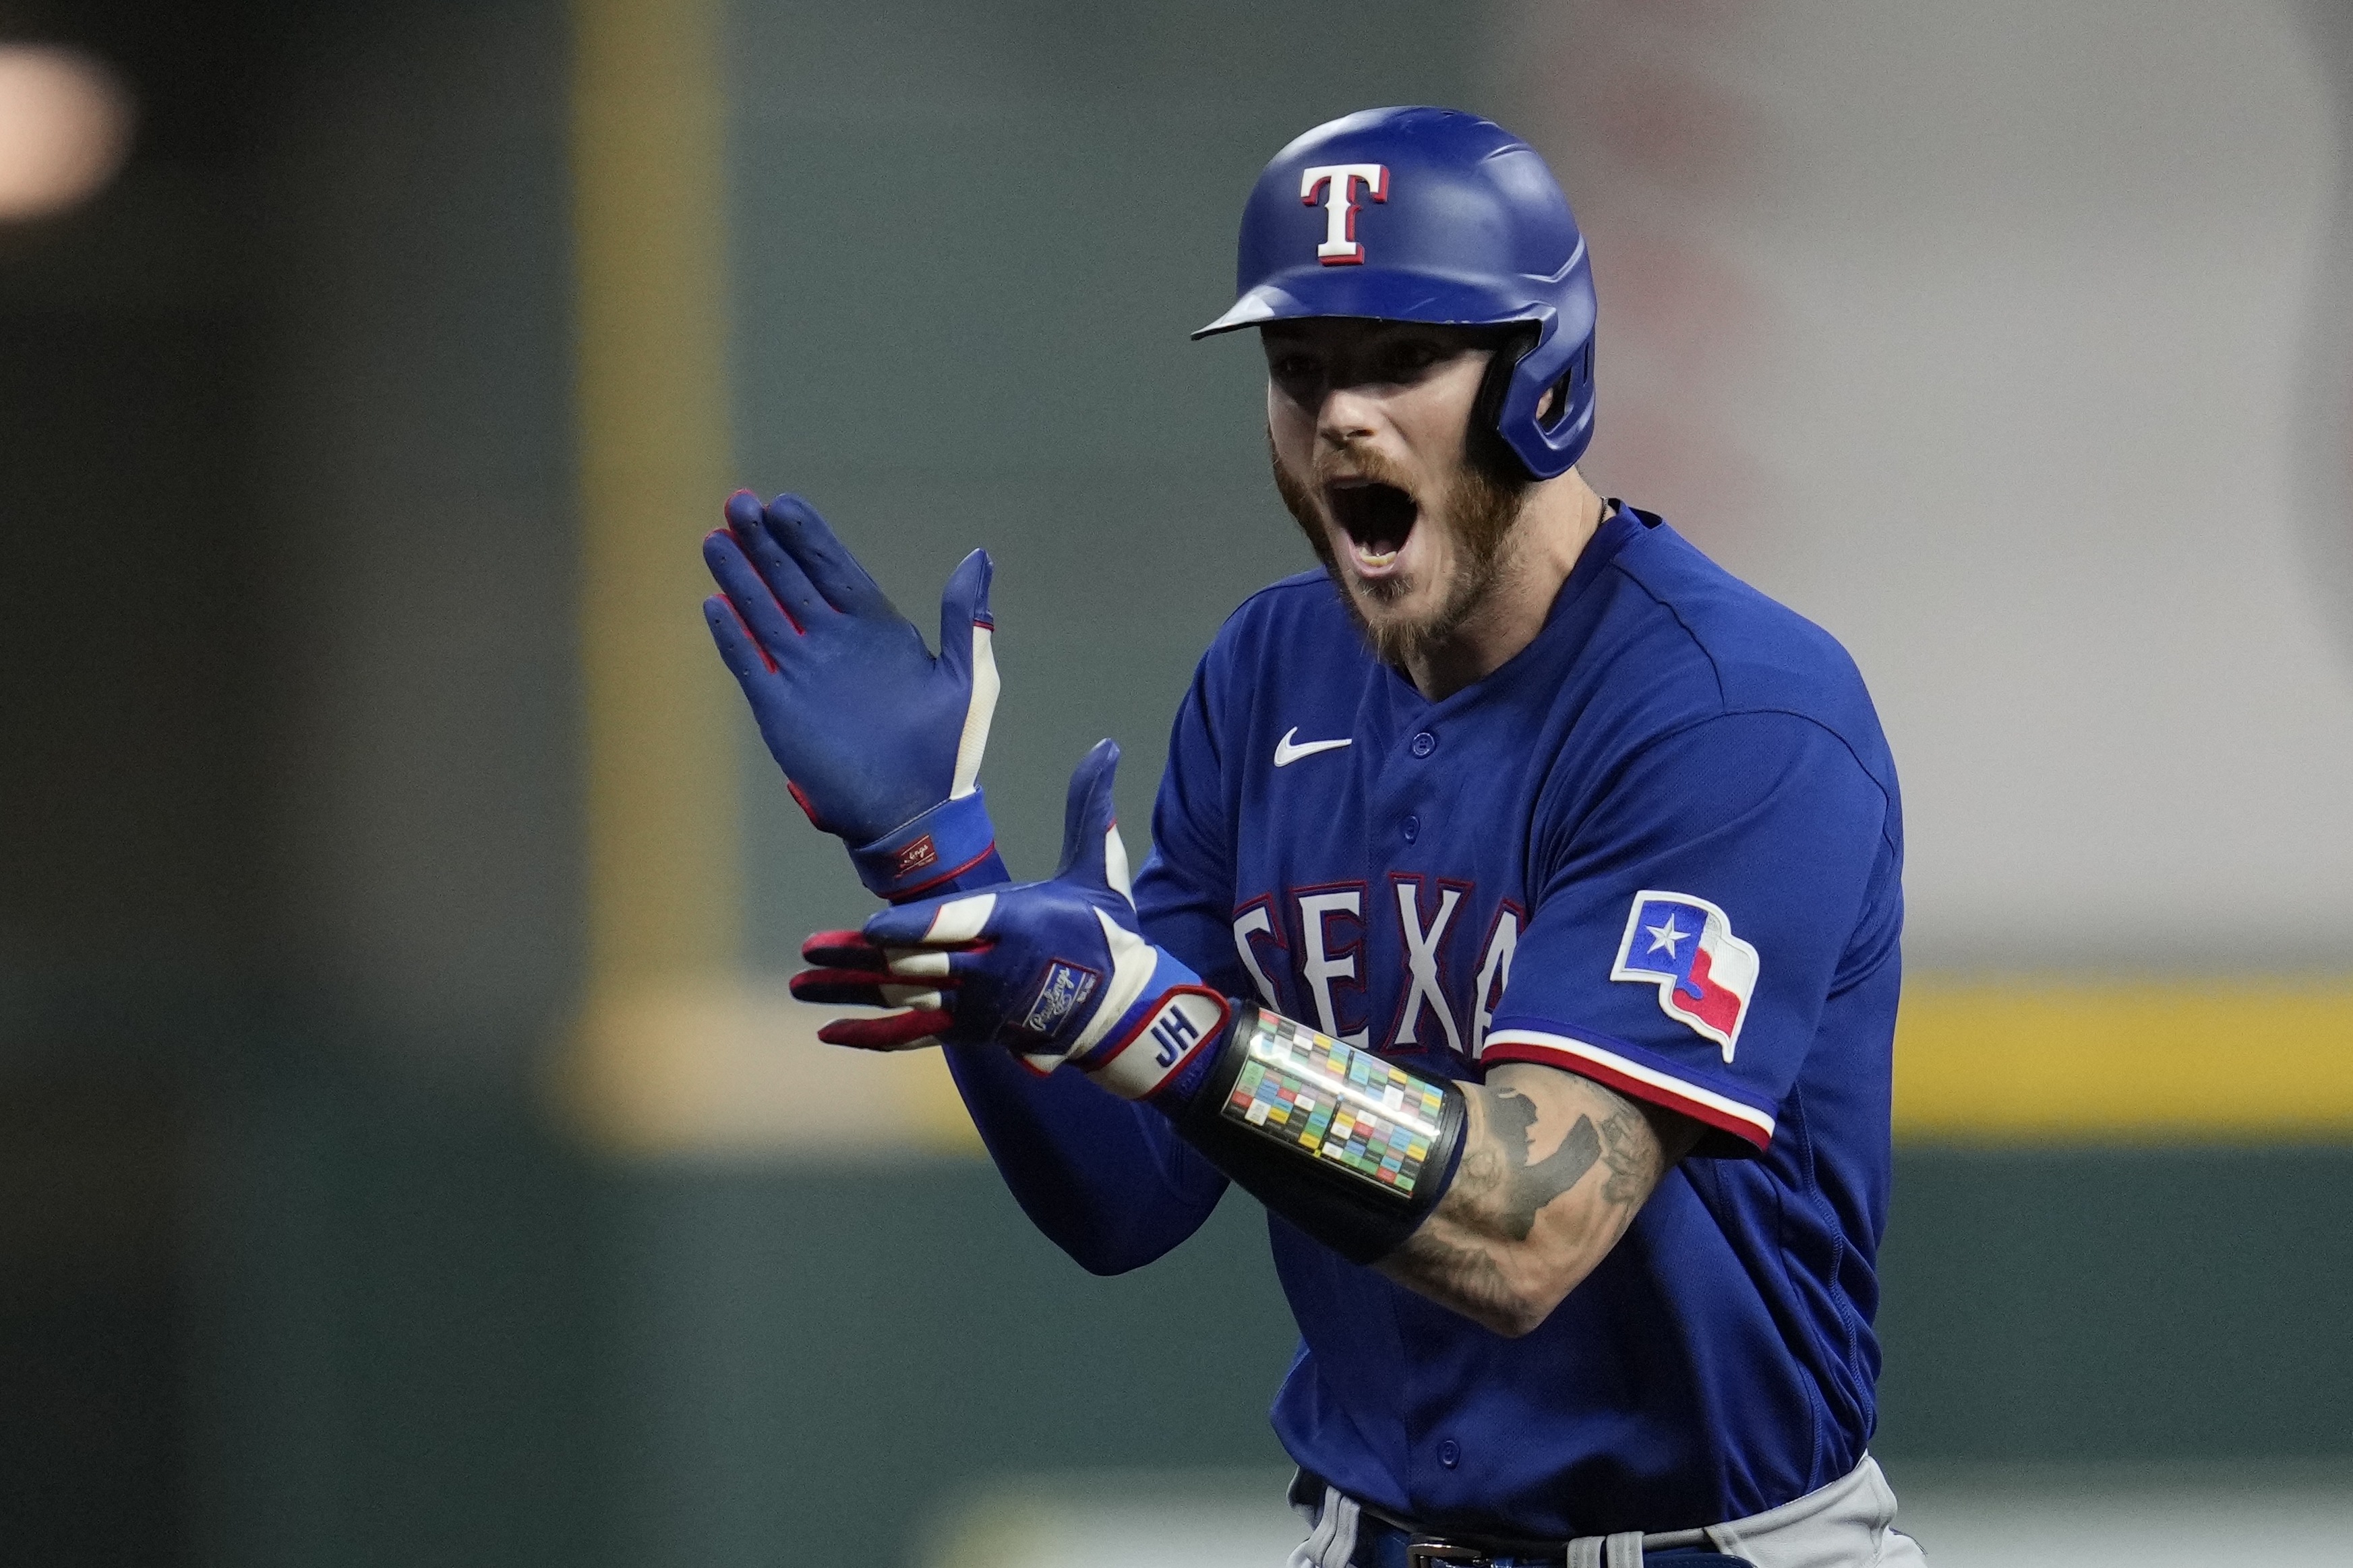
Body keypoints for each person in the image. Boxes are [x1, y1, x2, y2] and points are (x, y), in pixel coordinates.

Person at [702, 107, 1925, 1568]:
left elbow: (1527, 1223)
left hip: (1710, 1545)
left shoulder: (1729, 711)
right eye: (1300, 370)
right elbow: (1125, 1193)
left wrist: (1162, 1022)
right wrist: (935, 862)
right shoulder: (1268, 672)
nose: (1340, 414)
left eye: (1402, 360)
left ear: (1540, 377)